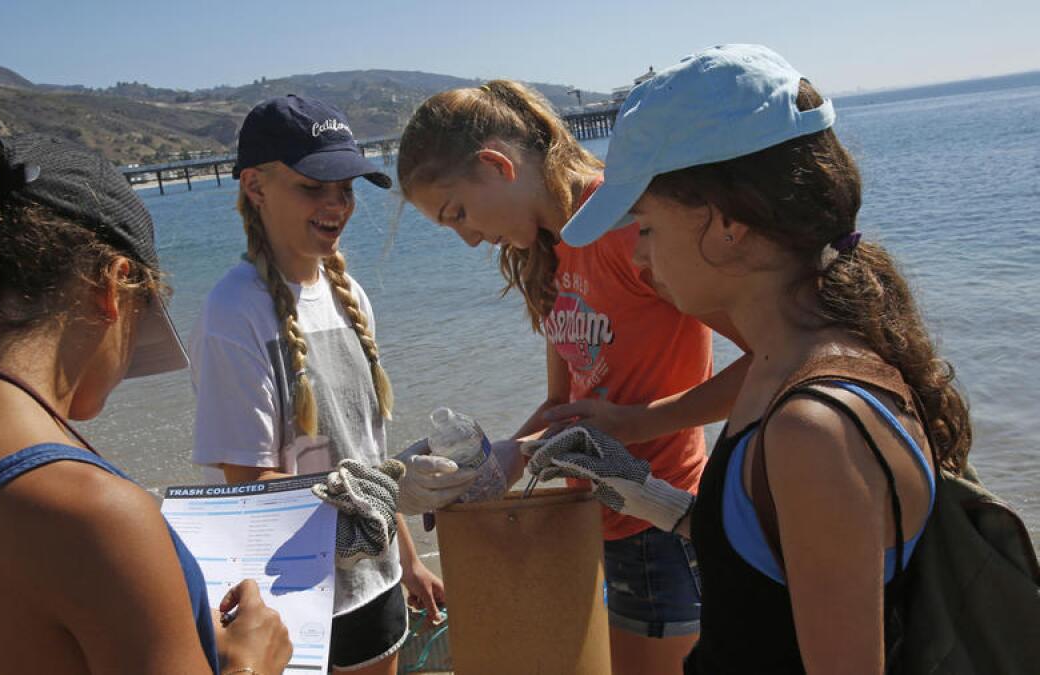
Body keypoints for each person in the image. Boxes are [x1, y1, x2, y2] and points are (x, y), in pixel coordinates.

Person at [529, 44, 951, 674]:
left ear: (726, 223)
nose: (638, 257)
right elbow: (773, 553)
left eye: (644, 226)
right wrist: (645, 493)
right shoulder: (786, 368)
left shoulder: (812, 427)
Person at [0, 134, 293, 674]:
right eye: (144, 317)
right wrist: (252, 663)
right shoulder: (97, 515)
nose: (130, 360)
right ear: (113, 286)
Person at [395, 79, 752, 673]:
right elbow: (565, 402)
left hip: (662, 520)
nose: (469, 237)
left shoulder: (624, 225)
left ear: (496, 165)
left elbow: (774, 357)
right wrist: (504, 459)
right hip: (590, 520)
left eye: (457, 212)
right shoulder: (553, 248)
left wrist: (640, 424)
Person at [191, 95, 441, 674]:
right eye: (313, 187)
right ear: (255, 186)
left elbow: (369, 456)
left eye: (346, 188)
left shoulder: (349, 294)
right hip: (294, 604)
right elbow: (248, 482)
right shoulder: (236, 310)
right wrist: (383, 501)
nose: (336, 204)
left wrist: (408, 559)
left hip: (377, 584)